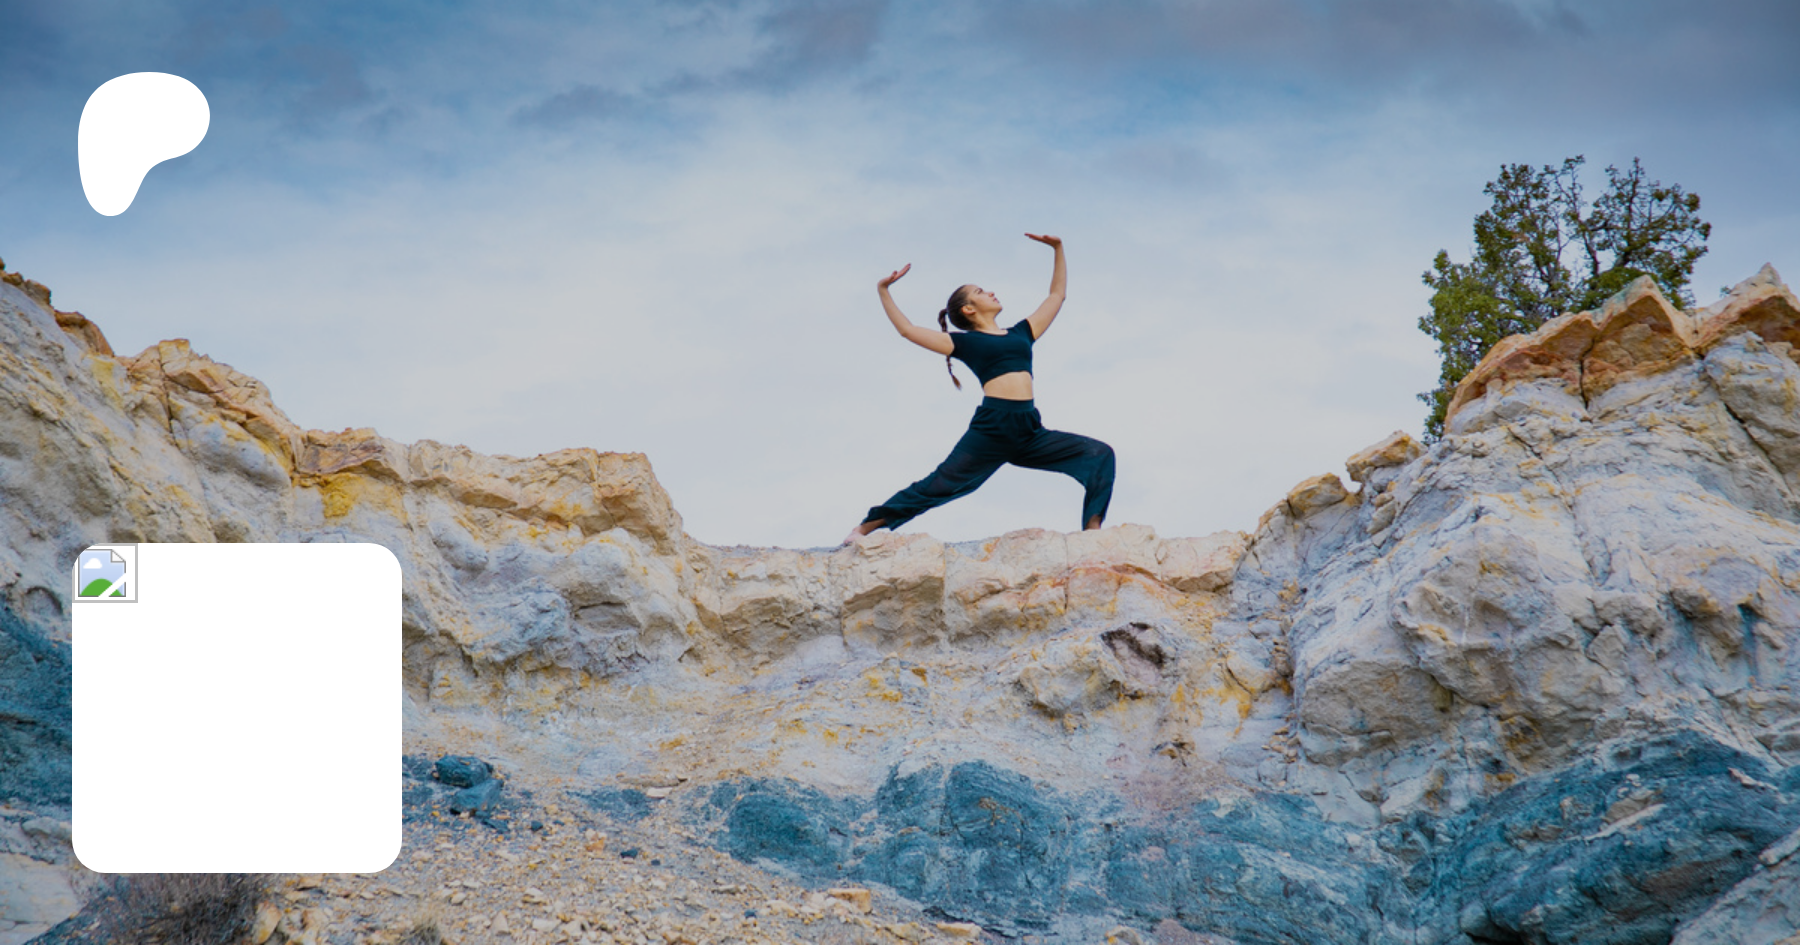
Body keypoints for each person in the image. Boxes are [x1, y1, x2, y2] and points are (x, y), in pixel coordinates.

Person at [843, 233, 1116, 545]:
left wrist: (1057, 248)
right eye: (980, 292)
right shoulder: (965, 342)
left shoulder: (1021, 333)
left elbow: (1056, 295)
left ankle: (1092, 532)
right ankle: (863, 529)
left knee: (1100, 454)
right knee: (940, 485)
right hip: (992, 429)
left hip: (1029, 430)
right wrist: (883, 290)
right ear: (969, 309)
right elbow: (907, 330)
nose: (991, 292)